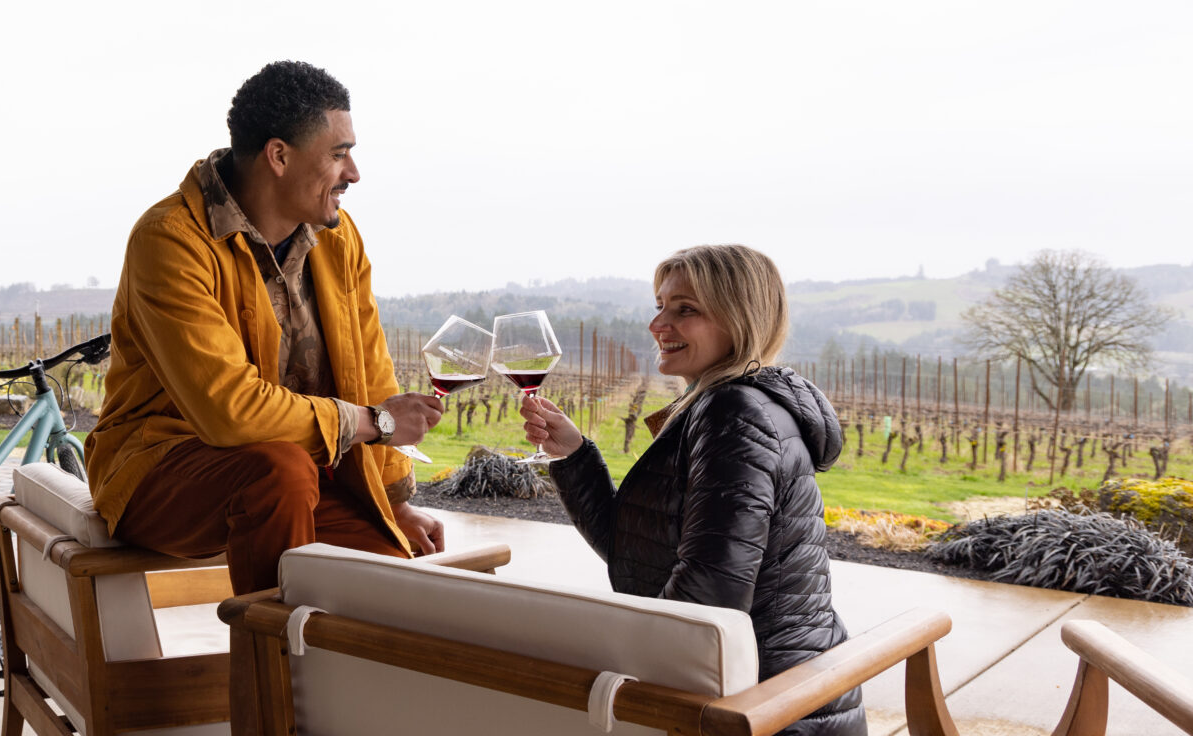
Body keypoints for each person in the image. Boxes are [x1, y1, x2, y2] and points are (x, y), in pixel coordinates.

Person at [83, 61, 446, 595]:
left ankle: (311, 646)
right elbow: (230, 412)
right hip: (159, 470)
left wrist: (393, 502)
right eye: (339, 153)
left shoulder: (338, 238)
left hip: (293, 480)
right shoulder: (170, 241)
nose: (353, 173)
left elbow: (369, 372)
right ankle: (271, 650)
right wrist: (376, 422)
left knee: (394, 584)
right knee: (280, 470)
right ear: (279, 156)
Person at [519, 244, 865, 735]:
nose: (658, 324)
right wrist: (573, 456)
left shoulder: (735, 414)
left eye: (685, 310)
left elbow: (706, 602)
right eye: (660, 305)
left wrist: (603, 654)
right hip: (778, 689)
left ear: (740, 319)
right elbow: (639, 552)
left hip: (770, 707)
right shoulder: (725, 403)